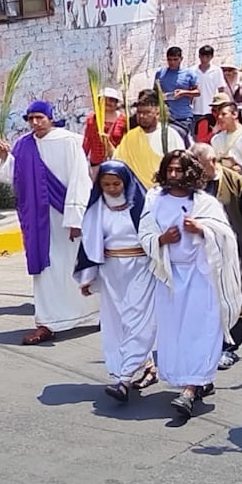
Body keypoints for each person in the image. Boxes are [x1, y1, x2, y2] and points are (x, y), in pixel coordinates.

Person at [139, 150, 242, 419]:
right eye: (169, 170)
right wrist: (161, 240)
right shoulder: (154, 200)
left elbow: (226, 236)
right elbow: (144, 234)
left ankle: (190, 389)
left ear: (190, 172)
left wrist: (202, 230)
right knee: (175, 334)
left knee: (202, 332)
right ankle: (191, 379)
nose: (174, 176)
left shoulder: (205, 203)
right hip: (170, 277)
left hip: (201, 278)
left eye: (179, 170)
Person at [0, 101, 97, 345]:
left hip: (65, 215)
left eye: (39, 117)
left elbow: (80, 179)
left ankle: (92, 312)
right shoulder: (24, 145)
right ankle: (47, 322)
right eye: (30, 119)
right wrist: (4, 158)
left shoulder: (70, 141)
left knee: (75, 264)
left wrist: (75, 217)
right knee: (45, 271)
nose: (35, 123)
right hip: (38, 220)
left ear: (51, 118)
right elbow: (12, 177)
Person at [74, 160, 156, 401]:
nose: (111, 188)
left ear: (126, 181)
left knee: (137, 319)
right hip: (112, 271)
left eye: (116, 183)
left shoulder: (143, 203)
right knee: (116, 321)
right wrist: (89, 277)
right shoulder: (97, 207)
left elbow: (154, 237)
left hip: (141, 267)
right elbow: (90, 243)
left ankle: (124, 378)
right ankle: (147, 365)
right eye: (106, 184)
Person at [190, 143, 242, 370]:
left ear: (211, 161)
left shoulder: (234, 181)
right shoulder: (192, 184)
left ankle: (231, 346)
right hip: (200, 251)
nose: (196, 171)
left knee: (234, 296)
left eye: (199, 165)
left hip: (231, 250)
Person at [113, 92, 186, 188]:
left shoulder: (170, 135)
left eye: (147, 113)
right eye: (139, 113)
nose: (142, 116)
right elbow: (118, 160)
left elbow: (180, 165)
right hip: (136, 192)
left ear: (157, 113)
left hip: (162, 191)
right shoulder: (130, 136)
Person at [155, 46, 199, 136]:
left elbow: (198, 92)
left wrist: (184, 93)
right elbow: (154, 92)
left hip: (183, 117)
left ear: (181, 59)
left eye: (175, 59)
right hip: (165, 117)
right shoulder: (160, 73)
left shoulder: (189, 74)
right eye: (169, 60)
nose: (172, 62)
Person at [82, 88, 126, 172]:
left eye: (111, 100)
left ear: (116, 103)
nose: (108, 102)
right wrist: (82, 160)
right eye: (104, 100)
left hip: (116, 163)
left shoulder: (123, 120)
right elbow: (87, 141)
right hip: (96, 165)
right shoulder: (92, 119)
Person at [193, 45, 224, 139]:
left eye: (207, 56)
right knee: (197, 136)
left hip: (211, 110)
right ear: (199, 56)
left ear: (211, 57)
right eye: (202, 56)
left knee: (212, 136)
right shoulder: (192, 70)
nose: (204, 59)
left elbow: (221, 89)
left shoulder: (216, 71)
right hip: (196, 109)